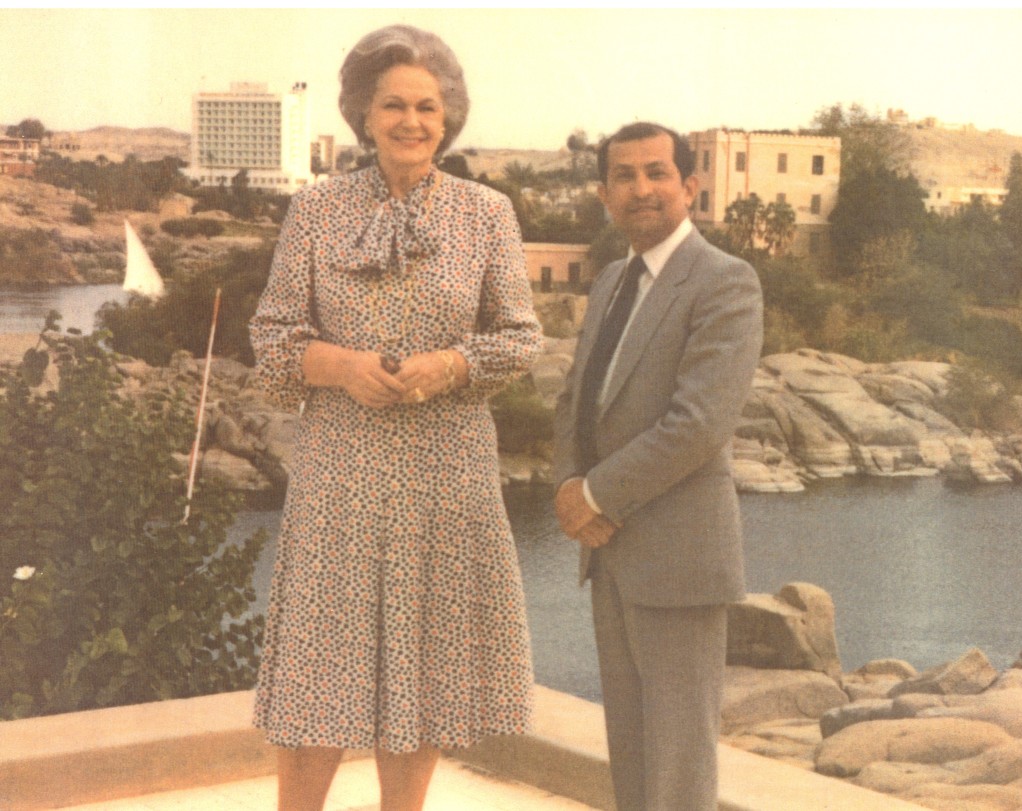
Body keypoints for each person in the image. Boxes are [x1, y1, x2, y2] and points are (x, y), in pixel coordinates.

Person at [249, 25, 541, 811]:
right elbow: (272, 339)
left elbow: (521, 337)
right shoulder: (315, 210)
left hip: (447, 472)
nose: (411, 121)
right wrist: (344, 367)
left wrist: (448, 365)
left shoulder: (488, 213)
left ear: (448, 118)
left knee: (423, 671)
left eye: (426, 106)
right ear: (363, 115)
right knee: (318, 671)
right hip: (340, 470)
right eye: (393, 105)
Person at [553, 122, 763, 811]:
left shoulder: (725, 280)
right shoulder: (613, 280)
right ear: (604, 193)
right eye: (624, 175)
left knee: (677, 763)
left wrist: (595, 495)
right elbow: (577, 398)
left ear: (689, 186)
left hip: (678, 556)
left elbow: (699, 424)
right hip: (609, 553)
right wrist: (567, 485)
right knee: (633, 754)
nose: (640, 188)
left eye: (656, 172)